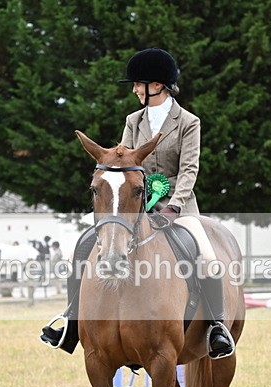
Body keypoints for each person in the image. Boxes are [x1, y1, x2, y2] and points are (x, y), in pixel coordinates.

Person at [40, 48, 234, 359]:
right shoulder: (133, 120)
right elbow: (123, 161)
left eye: (137, 84)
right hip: (135, 203)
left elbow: (189, 170)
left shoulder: (188, 122)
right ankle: (72, 321)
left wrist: (174, 206)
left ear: (157, 85)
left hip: (177, 206)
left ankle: (215, 328)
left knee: (207, 256)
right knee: (85, 244)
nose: (133, 89)